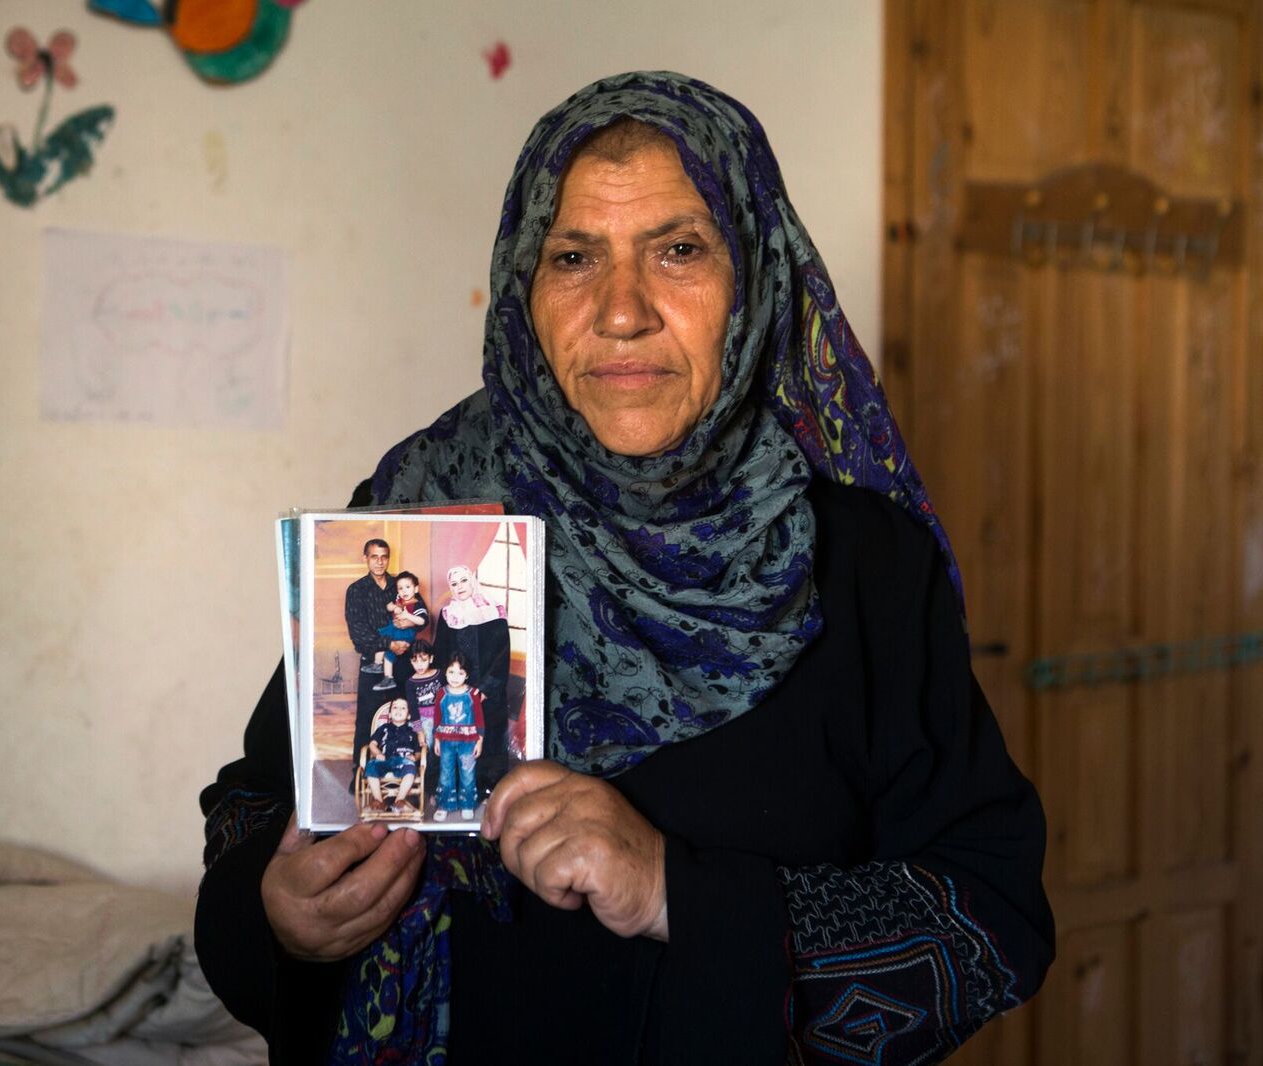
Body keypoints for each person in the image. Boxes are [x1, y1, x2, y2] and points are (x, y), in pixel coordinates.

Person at [196, 71, 1053, 1064]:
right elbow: (257, 802)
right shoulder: (422, 513)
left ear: (757, 278)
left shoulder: (859, 565)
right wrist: (281, 911)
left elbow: (987, 918)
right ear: (527, 284)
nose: (620, 311)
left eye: (679, 250)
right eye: (573, 256)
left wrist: (674, 893)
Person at [430, 565, 512, 794]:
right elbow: (440, 653)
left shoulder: (493, 611)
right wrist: (447, 687)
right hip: (457, 688)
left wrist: (486, 688)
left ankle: (490, 786)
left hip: (488, 689)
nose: (459, 587)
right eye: (454, 584)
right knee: (457, 738)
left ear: (472, 581)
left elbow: (502, 654)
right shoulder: (448, 615)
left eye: (463, 581)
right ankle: (460, 788)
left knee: (489, 735)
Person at [342, 538, 412, 781]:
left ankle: (405, 773)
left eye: (384, 557)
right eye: (374, 557)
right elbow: (358, 631)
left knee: (404, 715)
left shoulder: (401, 585)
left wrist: (405, 641)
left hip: (402, 660)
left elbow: (416, 613)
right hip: (372, 663)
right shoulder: (357, 590)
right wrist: (387, 643)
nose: (380, 562)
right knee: (367, 718)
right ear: (366, 558)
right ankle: (361, 773)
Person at [430, 652, 485, 822]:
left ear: (467, 674)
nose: (455, 677)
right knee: (446, 773)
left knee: (467, 773)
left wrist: (480, 741)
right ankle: (444, 804)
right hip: (446, 741)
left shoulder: (473, 694)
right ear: (445, 672)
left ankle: (467, 804)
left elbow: (479, 718)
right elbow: (437, 718)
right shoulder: (441, 693)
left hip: (468, 743)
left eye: (460, 673)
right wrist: (437, 739)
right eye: (451, 672)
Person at [363, 698, 422, 816]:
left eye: (403, 708)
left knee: (410, 769)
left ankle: (399, 801)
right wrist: (377, 753)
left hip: (403, 762)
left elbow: (418, 750)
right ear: (389, 714)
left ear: (409, 715)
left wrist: (415, 757)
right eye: (395, 707)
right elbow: (372, 744)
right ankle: (379, 801)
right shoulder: (383, 728)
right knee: (370, 766)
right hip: (385, 759)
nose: (398, 710)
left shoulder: (412, 731)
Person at [372, 571, 428, 691]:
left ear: (416, 589)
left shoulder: (417, 604)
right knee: (386, 648)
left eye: (408, 587)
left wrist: (408, 616)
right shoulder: (399, 600)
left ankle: (378, 664)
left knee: (385, 636)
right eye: (400, 588)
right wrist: (394, 607)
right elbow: (388, 606)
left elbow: (422, 621)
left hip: (406, 633)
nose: (404, 591)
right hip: (396, 629)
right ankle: (387, 676)